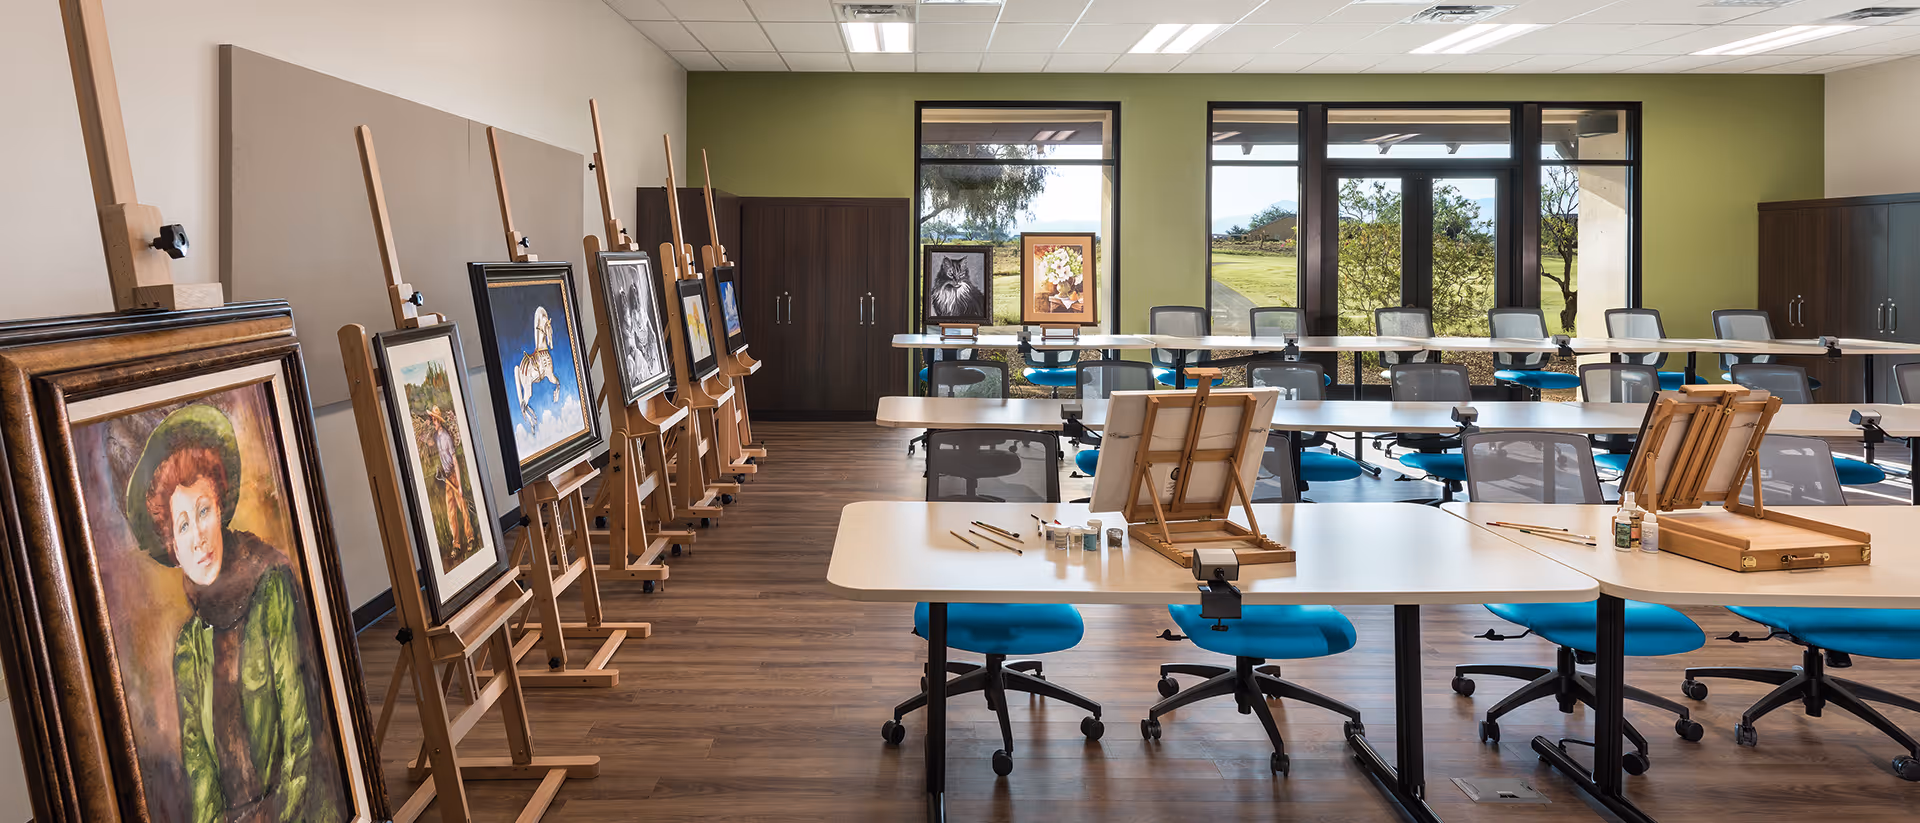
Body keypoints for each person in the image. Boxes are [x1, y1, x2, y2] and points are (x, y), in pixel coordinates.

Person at [124, 403, 345, 823]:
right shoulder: (189, 647)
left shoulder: (272, 585)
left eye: (203, 511)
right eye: (183, 526)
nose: (198, 537)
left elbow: (301, 738)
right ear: (172, 547)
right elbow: (201, 774)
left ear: (220, 509)